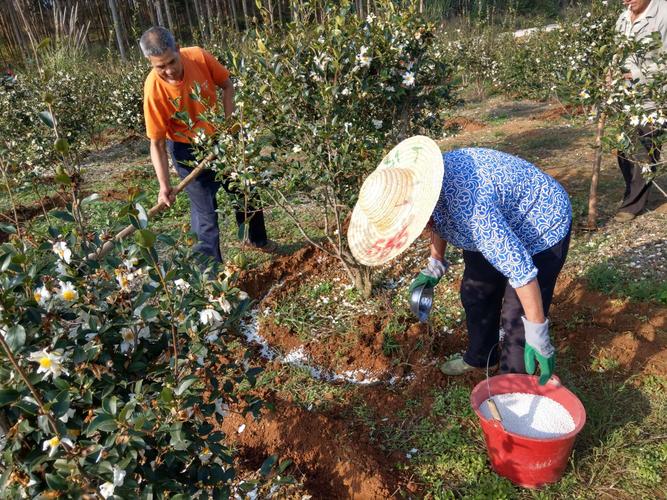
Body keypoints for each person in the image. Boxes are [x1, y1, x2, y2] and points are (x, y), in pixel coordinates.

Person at [347, 136, 572, 385]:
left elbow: (522, 272)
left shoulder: (473, 211)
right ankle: (481, 358)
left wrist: (538, 332)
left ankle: (512, 384)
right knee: (476, 291)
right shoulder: (426, 187)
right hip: (495, 219)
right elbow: (436, 219)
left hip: (540, 223)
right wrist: (436, 261)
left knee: (517, 316)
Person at [140, 26, 273, 262]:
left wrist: (229, 128)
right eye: (160, 66)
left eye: (171, 61)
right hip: (185, 149)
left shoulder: (199, 56)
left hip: (221, 138)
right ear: (150, 63)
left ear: (178, 49)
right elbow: (157, 144)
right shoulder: (153, 90)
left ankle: (257, 239)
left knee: (245, 190)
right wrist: (163, 185)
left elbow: (227, 85)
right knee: (205, 214)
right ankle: (209, 272)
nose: (168, 70)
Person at [613, 0, 667, 222]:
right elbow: (618, 52)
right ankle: (632, 193)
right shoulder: (624, 17)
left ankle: (633, 204)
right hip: (627, 97)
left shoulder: (663, 14)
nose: (626, 0)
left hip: (655, 97)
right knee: (623, 148)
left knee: (644, 148)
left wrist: (637, 74)